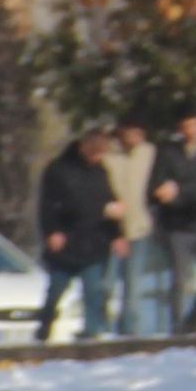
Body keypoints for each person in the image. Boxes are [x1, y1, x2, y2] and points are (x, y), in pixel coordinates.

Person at [34, 133, 122, 343]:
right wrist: (51, 232)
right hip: (66, 241)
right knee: (56, 290)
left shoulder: (100, 172)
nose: (98, 157)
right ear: (83, 148)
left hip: (93, 241)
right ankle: (45, 325)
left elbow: (109, 203)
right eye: (95, 152)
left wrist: (117, 234)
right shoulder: (59, 169)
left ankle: (91, 332)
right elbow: (47, 206)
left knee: (93, 291)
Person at [149, 115, 196, 336]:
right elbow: (156, 188)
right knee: (181, 279)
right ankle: (177, 328)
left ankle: (192, 319)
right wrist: (168, 195)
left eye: (195, 125)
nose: (191, 130)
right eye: (187, 125)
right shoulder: (168, 153)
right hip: (177, 225)